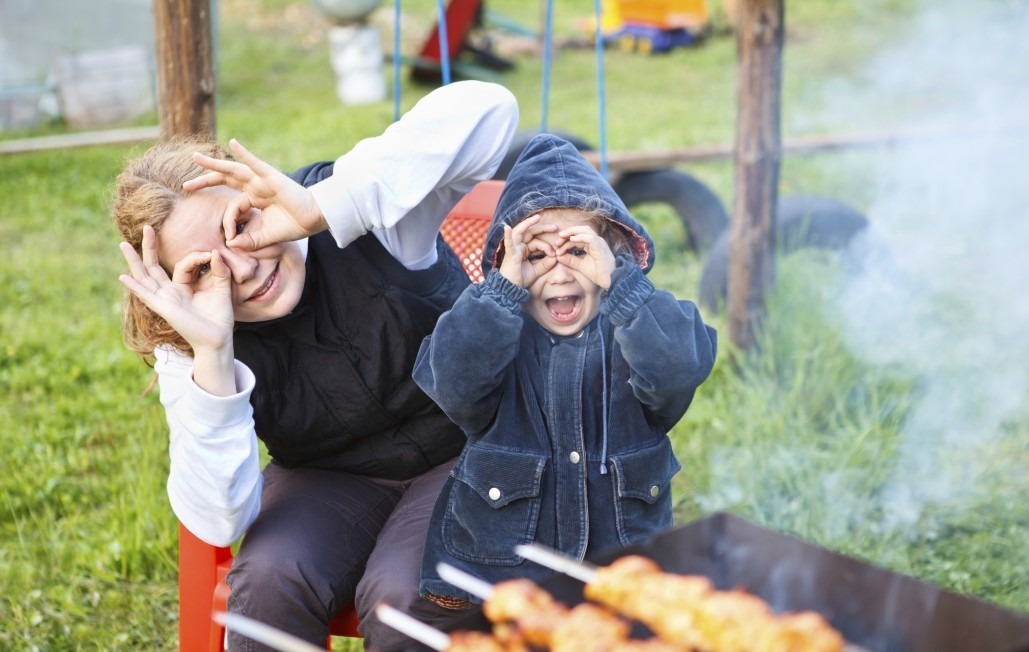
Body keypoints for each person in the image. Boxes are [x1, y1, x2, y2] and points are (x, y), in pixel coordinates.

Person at [111, 80, 518, 650]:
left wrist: (322, 207)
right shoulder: (190, 336)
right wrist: (212, 354)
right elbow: (217, 522)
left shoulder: (365, 215)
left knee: (405, 594)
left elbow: (490, 109)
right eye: (205, 269)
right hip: (329, 478)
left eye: (238, 226)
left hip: (472, 452)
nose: (243, 269)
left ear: (256, 196)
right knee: (270, 584)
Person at [413, 134, 718, 604]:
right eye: (535, 256)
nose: (558, 273)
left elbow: (678, 369)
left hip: (618, 579)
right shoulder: (492, 332)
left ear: (613, 255)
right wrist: (499, 293)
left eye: (578, 251)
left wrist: (624, 288)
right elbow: (453, 383)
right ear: (506, 267)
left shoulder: (637, 326)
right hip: (498, 581)